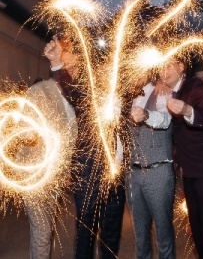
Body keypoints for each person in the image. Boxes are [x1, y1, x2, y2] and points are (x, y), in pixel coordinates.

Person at [43, 35, 126, 259]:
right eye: (105, 69)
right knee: (86, 232)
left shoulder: (126, 96)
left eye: (113, 70)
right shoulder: (87, 95)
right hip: (89, 172)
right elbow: (72, 91)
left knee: (111, 233)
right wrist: (57, 63)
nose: (110, 74)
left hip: (116, 175)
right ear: (96, 72)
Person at [159, 60, 203, 259]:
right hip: (189, 170)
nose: (165, 71)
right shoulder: (168, 92)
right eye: (162, 68)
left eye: (170, 65)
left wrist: (188, 111)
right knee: (197, 227)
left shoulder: (194, 86)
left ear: (181, 67)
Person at [21, 75, 77, 259]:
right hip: (35, 175)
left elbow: (68, 140)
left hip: (55, 177)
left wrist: (67, 169)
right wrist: (27, 132)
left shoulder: (72, 100)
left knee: (45, 229)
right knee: (42, 231)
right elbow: (24, 129)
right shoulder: (39, 91)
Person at [127, 80, 175, 259]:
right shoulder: (126, 95)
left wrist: (146, 114)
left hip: (158, 170)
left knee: (163, 234)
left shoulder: (162, 90)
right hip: (132, 173)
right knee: (140, 238)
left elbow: (165, 120)